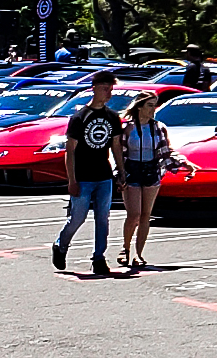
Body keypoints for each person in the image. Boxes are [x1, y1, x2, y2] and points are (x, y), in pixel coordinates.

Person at [53, 73, 123, 276]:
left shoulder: (112, 116)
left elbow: (116, 145)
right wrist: (72, 180)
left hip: (104, 175)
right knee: (78, 217)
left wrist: (121, 172)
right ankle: (61, 245)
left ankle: (99, 258)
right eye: (104, 88)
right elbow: (71, 151)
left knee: (103, 218)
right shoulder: (79, 117)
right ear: (94, 88)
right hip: (83, 177)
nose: (108, 93)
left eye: (110, 89)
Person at [118, 91, 179, 270]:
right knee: (134, 214)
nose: (154, 109)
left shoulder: (159, 127)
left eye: (155, 105)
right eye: (150, 105)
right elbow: (119, 154)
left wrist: (184, 163)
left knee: (146, 215)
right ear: (140, 107)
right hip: (132, 170)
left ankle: (138, 253)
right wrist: (120, 174)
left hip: (151, 170)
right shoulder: (127, 128)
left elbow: (167, 150)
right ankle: (125, 248)